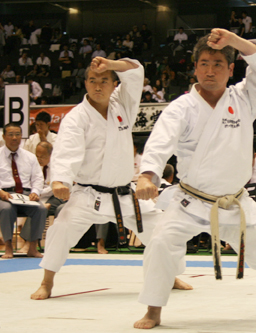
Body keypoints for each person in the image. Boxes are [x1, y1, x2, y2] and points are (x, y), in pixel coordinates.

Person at [133, 29, 256, 329]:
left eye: (218, 64)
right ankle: (153, 310)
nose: (210, 70)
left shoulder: (244, 98)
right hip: (191, 200)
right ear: (195, 68)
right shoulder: (181, 107)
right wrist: (146, 175)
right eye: (204, 63)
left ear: (231, 69)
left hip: (235, 201)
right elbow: (159, 143)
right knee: (161, 244)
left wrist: (234, 41)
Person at [31, 56, 191, 300]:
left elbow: (136, 70)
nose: (98, 86)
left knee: (163, 229)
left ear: (114, 84)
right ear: (85, 83)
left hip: (123, 194)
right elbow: (67, 151)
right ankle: (47, 282)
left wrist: (111, 65)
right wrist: (59, 180)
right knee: (61, 229)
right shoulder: (76, 117)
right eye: (92, 80)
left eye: (104, 81)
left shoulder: (123, 104)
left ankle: (169, 275)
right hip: (88, 194)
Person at [0, 123, 46, 259]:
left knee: (41, 209)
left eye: (18, 134)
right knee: (7, 209)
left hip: (25, 195)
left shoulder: (30, 157)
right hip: (5, 195)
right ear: (3, 136)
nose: (15, 138)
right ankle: (8, 247)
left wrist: (35, 192)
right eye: (11, 134)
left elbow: (38, 178)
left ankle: (32, 247)